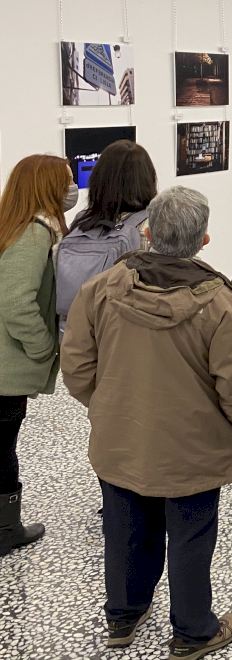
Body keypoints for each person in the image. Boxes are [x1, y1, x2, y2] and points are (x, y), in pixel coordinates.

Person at [60, 186, 232, 657]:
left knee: (124, 528)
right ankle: (193, 632)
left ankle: (123, 616)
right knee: (191, 537)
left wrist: (108, 408)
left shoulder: (101, 289)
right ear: (204, 240)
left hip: (121, 439)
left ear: (147, 233)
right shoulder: (218, 305)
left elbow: (77, 365)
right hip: (194, 450)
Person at [0, 154, 73, 557]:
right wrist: (44, 348)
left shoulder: (12, 226)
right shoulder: (33, 234)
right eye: (65, 181)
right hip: (6, 371)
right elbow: (16, 302)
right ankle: (6, 530)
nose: (72, 189)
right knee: (3, 449)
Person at [56, 140, 157, 326]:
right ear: (148, 179)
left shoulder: (82, 220)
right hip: (121, 330)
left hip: (75, 329)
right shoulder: (150, 225)